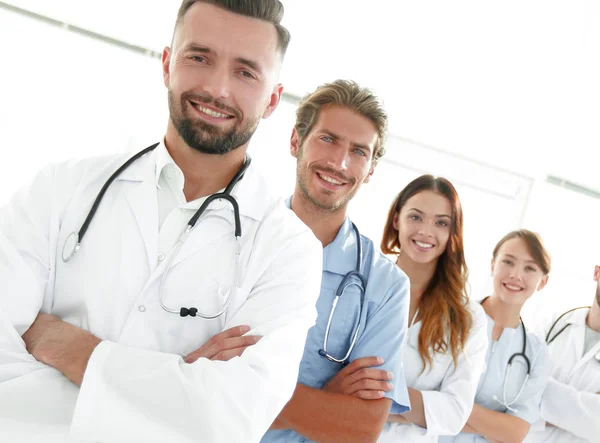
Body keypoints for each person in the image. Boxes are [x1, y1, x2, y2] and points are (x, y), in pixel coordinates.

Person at [0, 1, 324, 442]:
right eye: (199, 57)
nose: (217, 88)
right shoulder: (61, 187)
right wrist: (170, 391)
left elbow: (229, 416)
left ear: (271, 99)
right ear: (168, 63)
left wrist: (68, 347)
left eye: (245, 72)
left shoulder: (288, 251)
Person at [260, 80, 411, 443]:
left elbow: (360, 428)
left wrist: (235, 384)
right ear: (296, 142)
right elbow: (182, 366)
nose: (339, 163)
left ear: (371, 169)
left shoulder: (385, 286)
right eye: (328, 139)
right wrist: (326, 398)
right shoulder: (237, 235)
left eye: (359, 151)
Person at [377, 175, 489, 442]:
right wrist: (417, 407)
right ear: (396, 220)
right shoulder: (363, 284)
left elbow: (455, 413)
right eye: (416, 217)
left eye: (441, 223)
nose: (426, 231)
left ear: (452, 233)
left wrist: (379, 401)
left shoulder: (468, 317)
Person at [442, 229, 552, 442]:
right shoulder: (451, 317)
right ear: (493, 265)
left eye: (530, 268)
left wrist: (445, 406)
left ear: (543, 282)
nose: (516, 275)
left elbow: (515, 432)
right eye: (508, 262)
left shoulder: (536, 352)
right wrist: (495, 424)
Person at [525, 264, 600, 443]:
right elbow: (512, 390)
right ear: (597, 271)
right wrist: (585, 409)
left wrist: (538, 393)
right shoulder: (552, 325)